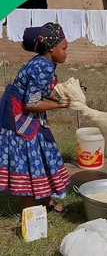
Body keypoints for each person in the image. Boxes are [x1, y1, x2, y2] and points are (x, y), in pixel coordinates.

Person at [0, 22, 71, 213]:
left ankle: (46, 201)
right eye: (64, 48)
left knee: (45, 153)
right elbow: (31, 103)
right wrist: (60, 105)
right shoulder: (42, 67)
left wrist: (61, 94)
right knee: (30, 161)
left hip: (29, 115)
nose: (66, 52)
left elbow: (40, 92)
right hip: (19, 118)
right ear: (51, 48)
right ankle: (30, 212)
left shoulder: (47, 62)